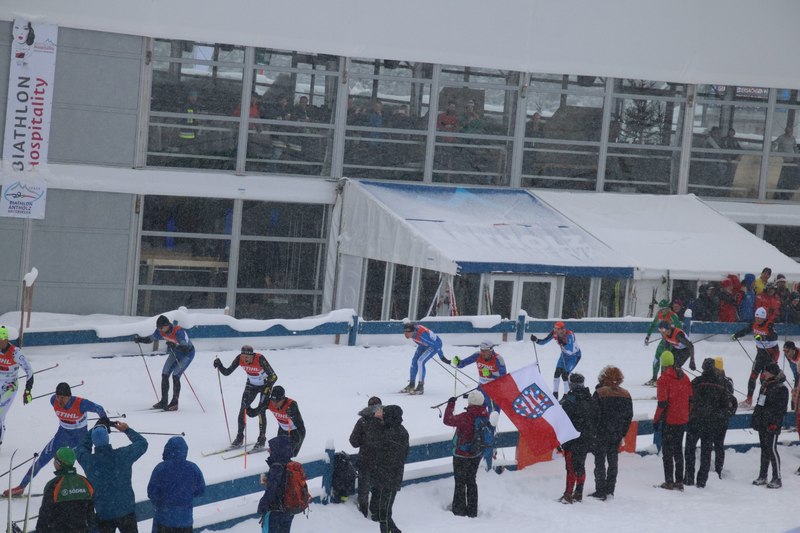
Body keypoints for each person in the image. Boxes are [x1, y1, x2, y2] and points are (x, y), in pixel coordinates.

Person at [3, 382, 107, 497]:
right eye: (58, 397)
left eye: (62, 398)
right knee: (41, 460)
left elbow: (99, 408)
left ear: (69, 396)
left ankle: (100, 489)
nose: (60, 400)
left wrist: (104, 422)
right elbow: (57, 401)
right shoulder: (53, 400)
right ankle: (21, 487)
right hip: (62, 436)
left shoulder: (81, 403)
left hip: (79, 438)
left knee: (86, 464)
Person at [76, 420, 148, 533]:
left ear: (93, 441)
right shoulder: (122, 455)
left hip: (104, 513)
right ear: (107, 438)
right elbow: (142, 444)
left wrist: (94, 430)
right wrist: (126, 430)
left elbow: (81, 448)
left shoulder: (89, 461)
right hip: (126, 511)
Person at [451, 340, 507, 468]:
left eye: (485, 351)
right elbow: (463, 364)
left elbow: (504, 378)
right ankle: (475, 443)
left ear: (491, 350)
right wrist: (458, 362)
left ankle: (490, 448)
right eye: (481, 351)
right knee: (476, 416)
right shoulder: (478, 355)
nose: (483, 353)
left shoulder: (499, 359)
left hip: (495, 391)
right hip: (482, 389)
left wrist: (491, 375)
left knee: (492, 420)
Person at [214, 345, 278, 449]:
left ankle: (261, 440)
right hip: (251, 385)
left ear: (252, 355)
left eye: (247, 357)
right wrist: (219, 365)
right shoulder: (239, 358)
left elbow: (274, 377)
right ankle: (239, 438)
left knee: (260, 412)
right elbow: (227, 372)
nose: (245, 359)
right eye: (243, 356)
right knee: (242, 410)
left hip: (265, 386)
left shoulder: (260, 358)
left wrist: (267, 387)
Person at [684, 358, 730, 488]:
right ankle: (702, 480)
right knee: (706, 452)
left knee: (690, 450)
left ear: (703, 368)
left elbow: (688, 400)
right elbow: (724, 406)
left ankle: (689, 477)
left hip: (695, 421)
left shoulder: (696, 382)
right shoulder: (721, 384)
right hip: (711, 423)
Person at [134, 314, 196, 411]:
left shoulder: (178, 331)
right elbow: (150, 339)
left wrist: (174, 345)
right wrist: (140, 339)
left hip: (187, 354)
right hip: (176, 352)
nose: (159, 330)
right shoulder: (160, 331)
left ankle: (174, 403)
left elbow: (185, 347)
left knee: (175, 375)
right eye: (158, 328)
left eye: (161, 327)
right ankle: (164, 401)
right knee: (165, 373)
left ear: (167, 325)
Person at [590, 365, 632, 501]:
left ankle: (600, 490)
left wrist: (594, 431)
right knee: (613, 462)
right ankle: (610, 489)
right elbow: (628, 416)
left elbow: (594, 415)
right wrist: (622, 432)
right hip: (617, 433)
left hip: (602, 433)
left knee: (600, 461)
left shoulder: (600, 393)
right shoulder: (626, 394)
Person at [147, 436, 206, 533]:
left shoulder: (160, 468)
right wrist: (186, 496)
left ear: (167, 449)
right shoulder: (193, 468)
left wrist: (162, 503)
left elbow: (152, 492)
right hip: (185, 522)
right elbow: (201, 490)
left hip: (164, 521)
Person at [444, 391, 487, 517]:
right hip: (476, 454)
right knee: (471, 481)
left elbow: (447, 420)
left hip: (461, 455)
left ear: (470, 402)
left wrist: (451, 405)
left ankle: (459, 510)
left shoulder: (466, 417)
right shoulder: (485, 415)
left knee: (460, 482)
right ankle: (472, 511)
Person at [653, 351, 692, 491]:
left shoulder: (663, 379)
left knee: (667, 452)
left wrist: (656, 420)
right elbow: (691, 399)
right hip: (682, 420)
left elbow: (662, 403)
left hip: (669, 420)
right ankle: (679, 481)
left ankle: (669, 481)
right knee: (678, 450)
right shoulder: (685, 377)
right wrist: (686, 413)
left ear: (663, 364)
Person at [558, 373, 597, 504]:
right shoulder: (590, 399)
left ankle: (568, 494)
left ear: (571, 384)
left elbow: (563, 420)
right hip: (586, 438)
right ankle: (579, 492)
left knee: (570, 467)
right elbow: (595, 418)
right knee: (580, 465)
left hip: (572, 438)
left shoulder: (569, 401)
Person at [36, 447, 95, 533]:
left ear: (59, 463)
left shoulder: (53, 484)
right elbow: (90, 514)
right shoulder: (85, 482)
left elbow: (44, 514)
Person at [732, 306, 779, 407]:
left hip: (771, 353)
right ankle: (749, 400)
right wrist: (736, 335)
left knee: (765, 379)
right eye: (756, 317)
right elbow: (745, 330)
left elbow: (774, 336)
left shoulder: (769, 325)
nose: (757, 320)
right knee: (753, 376)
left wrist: (762, 337)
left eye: (759, 318)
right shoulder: (754, 324)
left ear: (764, 318)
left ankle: (763, 402)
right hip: (761, 353)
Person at [751, 362, 788, 489]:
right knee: (764, 450)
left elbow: (780, 409)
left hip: (772, 424)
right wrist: (756, 418)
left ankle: (777, 477)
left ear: (771, 373)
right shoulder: (765, 386)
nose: (764, 374)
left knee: (772, 449)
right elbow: (760, 404)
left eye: (766, 372)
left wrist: (774, 423)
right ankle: (763, 475)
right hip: (763, 422)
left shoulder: (781, 388)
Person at [373, 405, 409, 533]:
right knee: (383, 510)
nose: (382, 416)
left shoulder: (395, 432)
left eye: (384, 414)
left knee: (384, 511)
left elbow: (374, 438)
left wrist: (376, 421)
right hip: (387, 476)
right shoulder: (394, 430)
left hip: (390, 477)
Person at [349, 396, 383, 520]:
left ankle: (362, 513)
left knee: (364, 489)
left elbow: (353, 441)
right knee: (378, 488)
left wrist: (365, 441)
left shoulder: (362, 421)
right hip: (382, 461)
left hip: (365, 460)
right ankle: (376, 512)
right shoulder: (387, 420)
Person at [0, 325, 33, 445]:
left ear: (6, 339)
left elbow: (29, 372)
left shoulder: (15, 353)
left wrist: (27, 391)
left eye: (1, 340)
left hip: (10, 387)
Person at [531, 321, 582, 399]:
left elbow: (570, 349)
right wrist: (536, 340)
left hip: (574, 356)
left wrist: (563, 343)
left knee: (565, 375)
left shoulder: (569, 335)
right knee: (557, 373)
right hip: (564, 355)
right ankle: (555, 394)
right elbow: (544, 341)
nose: (555, 330)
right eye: (554, 328)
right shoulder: (554, 333)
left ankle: (566, 395)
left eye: (557, 329)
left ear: (562, 329)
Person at [257, 434, 296, 533]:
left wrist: (262, 506)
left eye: (271, 448)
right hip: (289, 510)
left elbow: (271, 491)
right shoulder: (290, 464)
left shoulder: (276, 467)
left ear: (278, 450)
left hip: (276, 512)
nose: (268, 450)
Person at [400, 323, 450, 395]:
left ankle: (420, 386)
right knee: (414, 362)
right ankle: (411, 384)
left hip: (434, 345)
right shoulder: (412, 331)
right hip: (423, 344)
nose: (406, 334)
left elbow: (436, 345)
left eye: (408, 332)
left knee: (420, 361)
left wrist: (442, 357)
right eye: (405, 332)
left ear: (413, 331)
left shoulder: (422, 335)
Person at [643, 300, 683, 386]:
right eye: (660, 308)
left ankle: (663, 379)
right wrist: (648, 336)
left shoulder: (672, 316)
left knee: (664, 358)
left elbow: (680, 328)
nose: (662, 310)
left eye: (664, 309)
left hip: (671, 340)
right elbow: (653, 325)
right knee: (656, 357)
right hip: (664, 339)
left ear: (668, 308)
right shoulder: (659, 314)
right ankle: (654, 378)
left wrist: (677, 338)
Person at [267, 386, 306, 457]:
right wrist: (247, 407)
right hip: (282, 430)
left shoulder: (291, 405)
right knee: (276, 454)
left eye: (277, 401)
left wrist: (292, 415)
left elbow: (300, 424)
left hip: (296, 432)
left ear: (283, 399)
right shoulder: (269, 403)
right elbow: (253, 413)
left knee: (288, 456)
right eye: (273, 400)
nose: (275, 403)